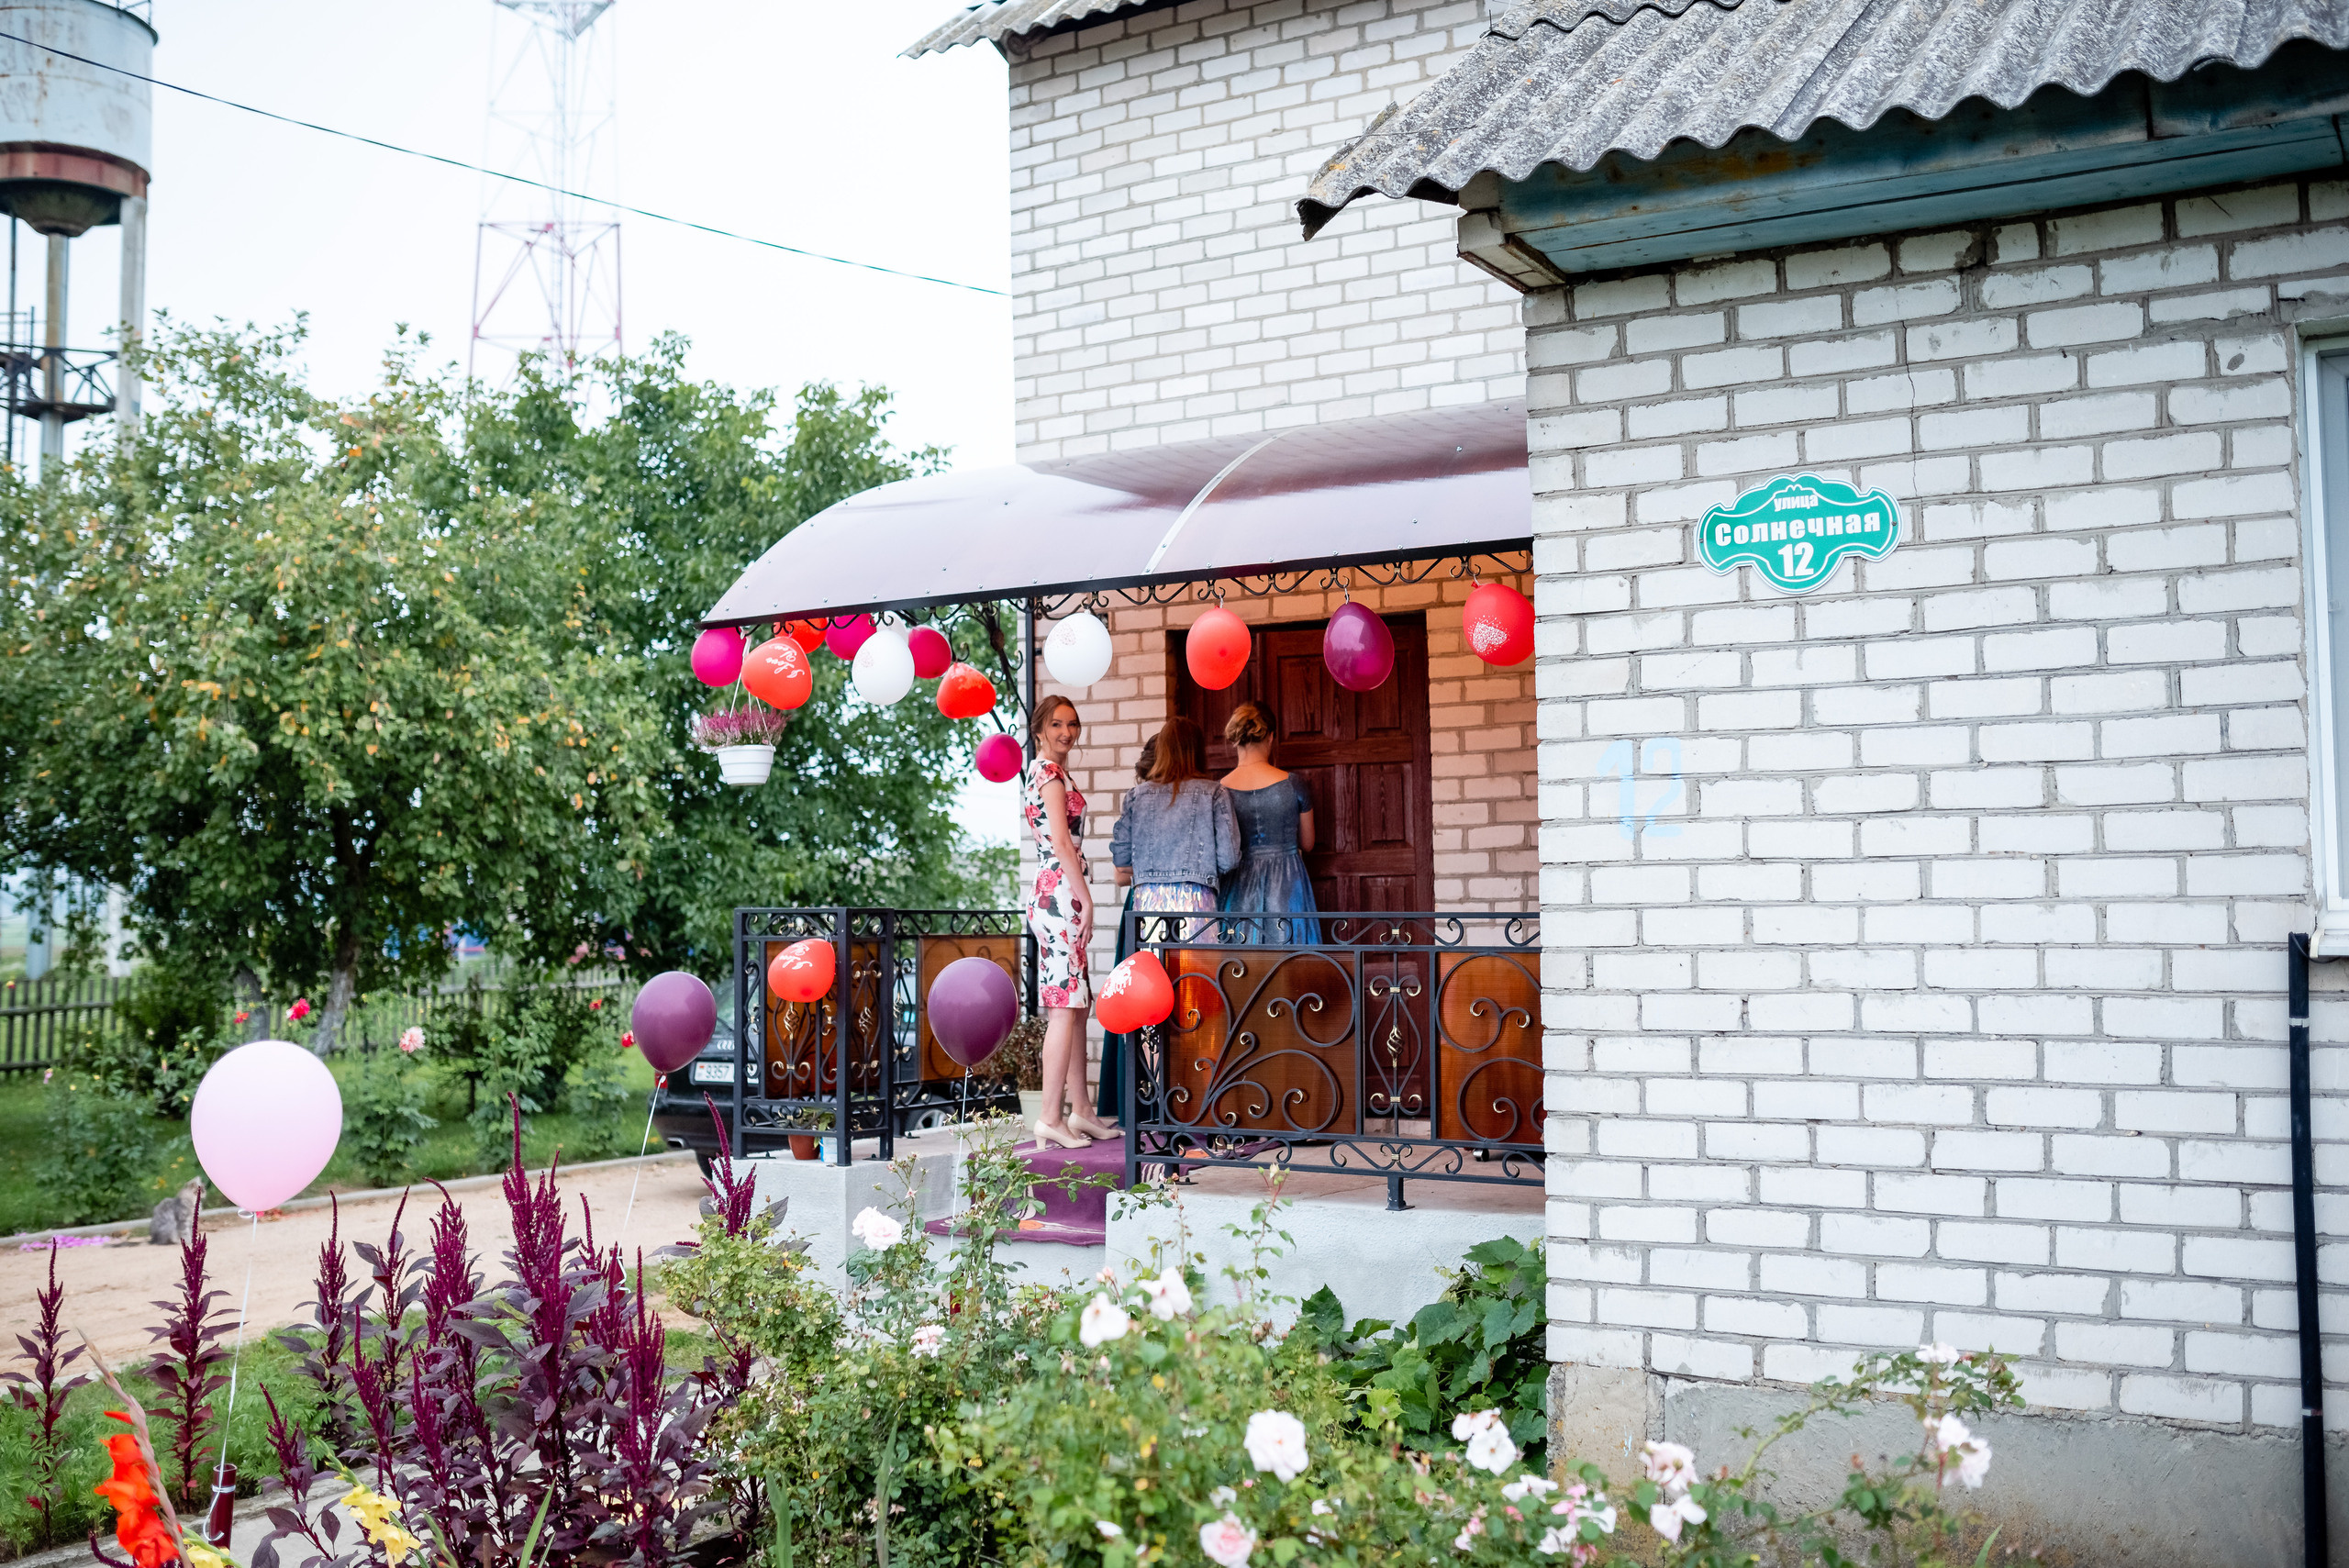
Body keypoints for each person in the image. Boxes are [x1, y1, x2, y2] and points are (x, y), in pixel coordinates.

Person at [1103, 717, 1244, 1119]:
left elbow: (1121, 859)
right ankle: (1198, 1102)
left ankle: (1161, 1099)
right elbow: (1229, 858)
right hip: (1196, 906)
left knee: (1151, 1005)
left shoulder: (1136, 797)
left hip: (1147, 905)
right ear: (1198, 750)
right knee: (1199, 1001)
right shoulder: (1213, 792)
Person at [1022, 694, 1113, 1148]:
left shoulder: (1049, 772)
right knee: (1065, 1006)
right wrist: (1085, 898)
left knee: (1076, 1004)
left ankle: (1081, 1111)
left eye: (1072, 724)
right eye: (1057, 725)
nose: (1066, 732)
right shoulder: (1049, 773)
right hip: (1060, 893)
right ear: (1040, 730)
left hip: (1054, 893)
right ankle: (1050, 1117)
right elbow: (1061, 839)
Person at [1218, 701, 1320, 943]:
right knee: (1292, 955)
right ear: (1271, 737)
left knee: (1238, 958)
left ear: (1236, 740)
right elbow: (1308, 843)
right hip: (1287, 883)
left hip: (1238, 885)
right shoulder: (1293, 784)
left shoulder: (1220, 791)